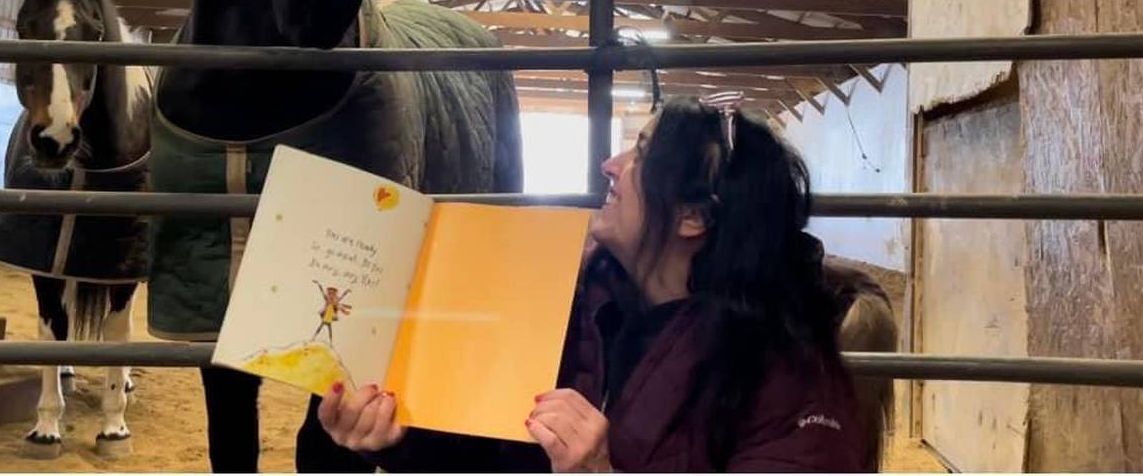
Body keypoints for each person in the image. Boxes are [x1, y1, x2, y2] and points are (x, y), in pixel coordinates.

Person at [315, 97, 872, 472]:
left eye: (642, 154)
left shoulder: (792, 385)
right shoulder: (585, 305)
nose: (609, 164)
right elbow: (503, 456)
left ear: (693, 218)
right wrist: (397, 435)